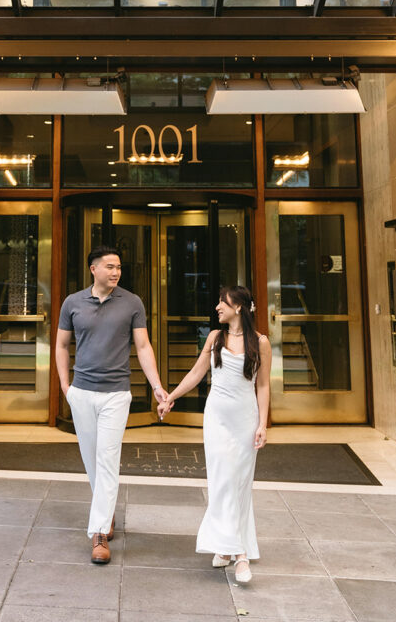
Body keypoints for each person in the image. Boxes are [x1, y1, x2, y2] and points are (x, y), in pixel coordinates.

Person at [56, 245, 168, 565]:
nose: (116, 271)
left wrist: (157, 386)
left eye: (118, 266)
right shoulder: (73, 303)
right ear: (93, 269)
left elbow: (143, 346)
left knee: (107, 458)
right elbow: (62, 345)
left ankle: (100, 533)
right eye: (109, 266)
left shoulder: (132, 302)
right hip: (82, 393)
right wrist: (66, 386)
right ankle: (105, 512)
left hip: (116, 394)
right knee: (92, 460)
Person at [158, 285, 271, 584]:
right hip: (217, 418)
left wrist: (263, 424)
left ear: (239, 308)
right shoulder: (214, 338)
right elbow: (197, 374)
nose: (217, 306)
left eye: (223, 302)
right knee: (222, 481)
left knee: (240, 484)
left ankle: (227, 547)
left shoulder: (261, 342)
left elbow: (263, 385)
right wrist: (171, 397)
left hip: (245, 419)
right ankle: (240, 555)